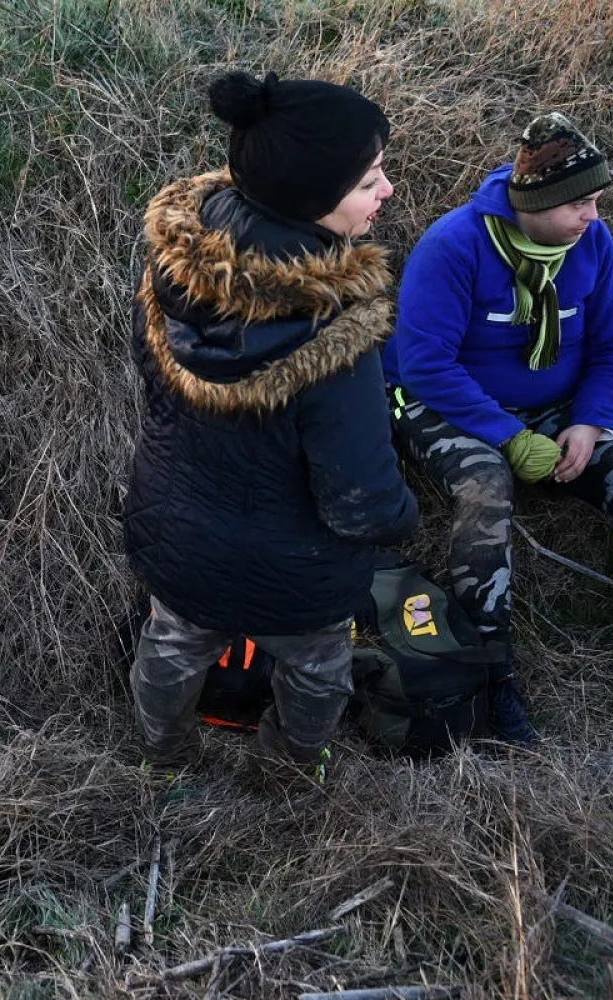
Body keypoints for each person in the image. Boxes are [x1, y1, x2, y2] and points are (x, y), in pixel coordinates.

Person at [385, 113, 613, 748]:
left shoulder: (591, 246)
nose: (594, 217)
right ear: (538, 202)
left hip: (556, 409)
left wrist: (591, 420)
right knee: (485, 484)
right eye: (581, 202)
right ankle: (491, 678)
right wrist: (510, 438)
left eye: (597, 200)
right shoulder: (454, 246)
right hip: (445, 405)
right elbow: (424, 364)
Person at [123, 70, 418, 774]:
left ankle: (161, 758)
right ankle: (287, 769)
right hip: (298, 569)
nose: (388, 191)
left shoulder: (174, 271)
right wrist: (405, 518)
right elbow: (361, 502)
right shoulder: (335, 335)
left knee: (170, 644)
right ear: (314, 198)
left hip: (178, 535)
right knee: (319, 666)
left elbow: (154, 385)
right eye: (369, 179)